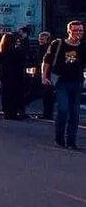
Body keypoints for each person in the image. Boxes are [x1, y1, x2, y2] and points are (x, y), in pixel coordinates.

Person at [43, 20, 85, 150]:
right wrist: (44, 76)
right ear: (69, 31)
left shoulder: (83, 46)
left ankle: (71, 141)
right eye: (75, 30)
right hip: (61, 81)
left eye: (80, 30)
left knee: (75, 112)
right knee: (63, 109)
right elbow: (47, 60)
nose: (78, 33)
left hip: (77, 82)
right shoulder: (58, 44)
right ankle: (59, 137)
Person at [0, 32, 27, 120]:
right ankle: (15, 111)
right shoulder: (17, 51)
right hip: (16, 74)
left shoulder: (1, 51)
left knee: (6, 93)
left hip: (5, 74)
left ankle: (7, 112)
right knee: (15, 93)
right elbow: (22, 60)